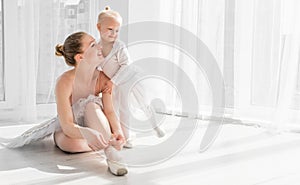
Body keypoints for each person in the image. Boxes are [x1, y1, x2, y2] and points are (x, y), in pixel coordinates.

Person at [1, 31, 128, 176]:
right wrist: (86, 133)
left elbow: (110, 111)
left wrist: (117, 131)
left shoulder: (103, 79)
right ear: (80, 57)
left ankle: (110, 152)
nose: (100, 46)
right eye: (93, 45)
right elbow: (67, 125)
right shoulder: (65, 82)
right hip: (71, 126)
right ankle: (105, 141)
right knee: (70, 144)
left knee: (91, 105)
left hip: (94, 121)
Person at [96, 6, 165, 148]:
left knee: (143, 103)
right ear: (99, 27)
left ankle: (155, 125)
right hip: (114, 85)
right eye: (110, 29)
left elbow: (126, 65)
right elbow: (97, 66)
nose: (114, 33)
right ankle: (125, 136)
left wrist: (113, 80)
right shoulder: (97, 48)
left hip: (129, 78)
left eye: (117, 30)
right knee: (121, 109)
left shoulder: (119, 46)